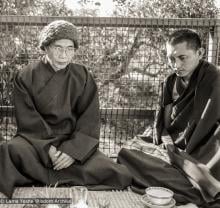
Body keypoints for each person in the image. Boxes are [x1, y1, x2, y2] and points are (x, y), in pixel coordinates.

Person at [0, 20, 132, 198]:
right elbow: (28, 118)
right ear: (45, 47)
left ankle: (38, 175)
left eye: (70, 49)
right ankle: (59, 175)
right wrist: (47, 148)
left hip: (71, 139)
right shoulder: (25, 75)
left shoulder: (82, 75)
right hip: (35, 142)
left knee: (114, 172)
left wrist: (73, 151)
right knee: (9, 151)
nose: (64, 55)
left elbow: (89, 118)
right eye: (58, 48)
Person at [117, 29, 220, 208]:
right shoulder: (170, 82)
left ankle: (198, 189)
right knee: (127, 151)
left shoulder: (216, 80)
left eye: (182, 57)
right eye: (171, 58)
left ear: (200, 53)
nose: (176, 64)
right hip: (174, 149)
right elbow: (161, 124)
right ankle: (192, 188)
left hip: (205, 151)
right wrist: (167, 146)